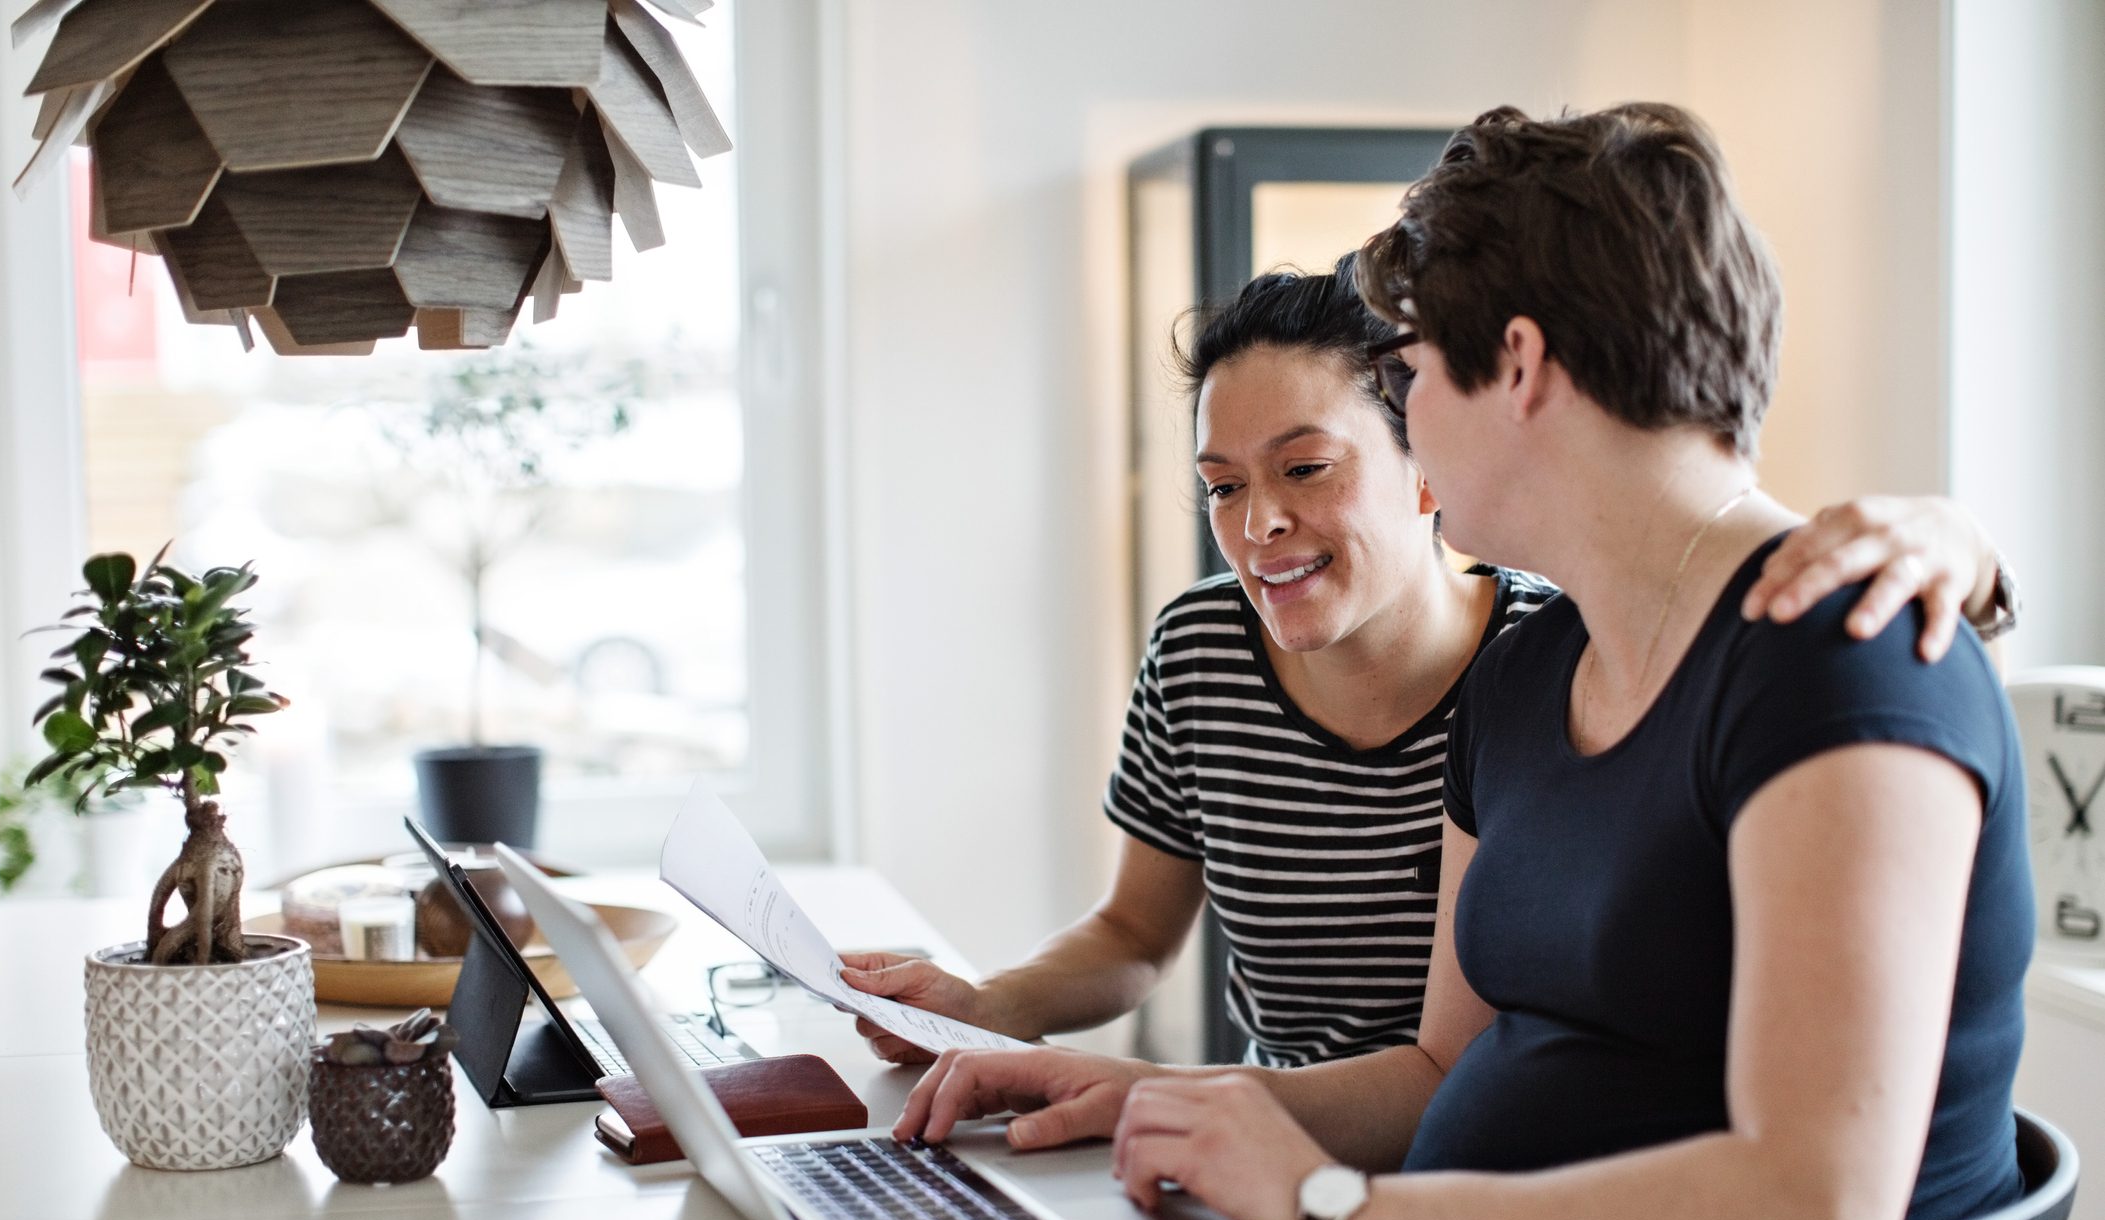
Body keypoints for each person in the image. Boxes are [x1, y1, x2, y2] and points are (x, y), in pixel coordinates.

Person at [890, 103, 2034, 1220]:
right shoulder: (1531, 672)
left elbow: (1812, 1213)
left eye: (1418, 371)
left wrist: (1330, 1210)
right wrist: (1152, 1095)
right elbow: (1440, 1073)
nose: (1412, 419)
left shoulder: (1843, 651)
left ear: (1522, 364)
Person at [840, 264, 2015, 1071]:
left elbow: (1729, 596)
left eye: (1305, 469)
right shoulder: (1197, 652)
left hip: (1430, 1168)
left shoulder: (1551, 660)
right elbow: (1134, 936)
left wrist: (1960, 543)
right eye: (1224, 486)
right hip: (1277, 1136)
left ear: (1426, 464)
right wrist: (985, 1010)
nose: (1257, 525)